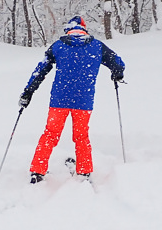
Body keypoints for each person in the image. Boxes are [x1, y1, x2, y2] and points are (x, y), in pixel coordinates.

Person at [19, 15, 124, 183]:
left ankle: (37, 171)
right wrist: (117, 73)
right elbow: (118, 63)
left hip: (59, 101)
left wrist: (28, 91)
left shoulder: (59, 46)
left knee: (50, 134)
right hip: (83, 101)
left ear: (68, 29)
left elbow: (41, 70)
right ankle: (84, 171)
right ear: (84, 29)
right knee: (81, 136)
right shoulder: (97, 46)